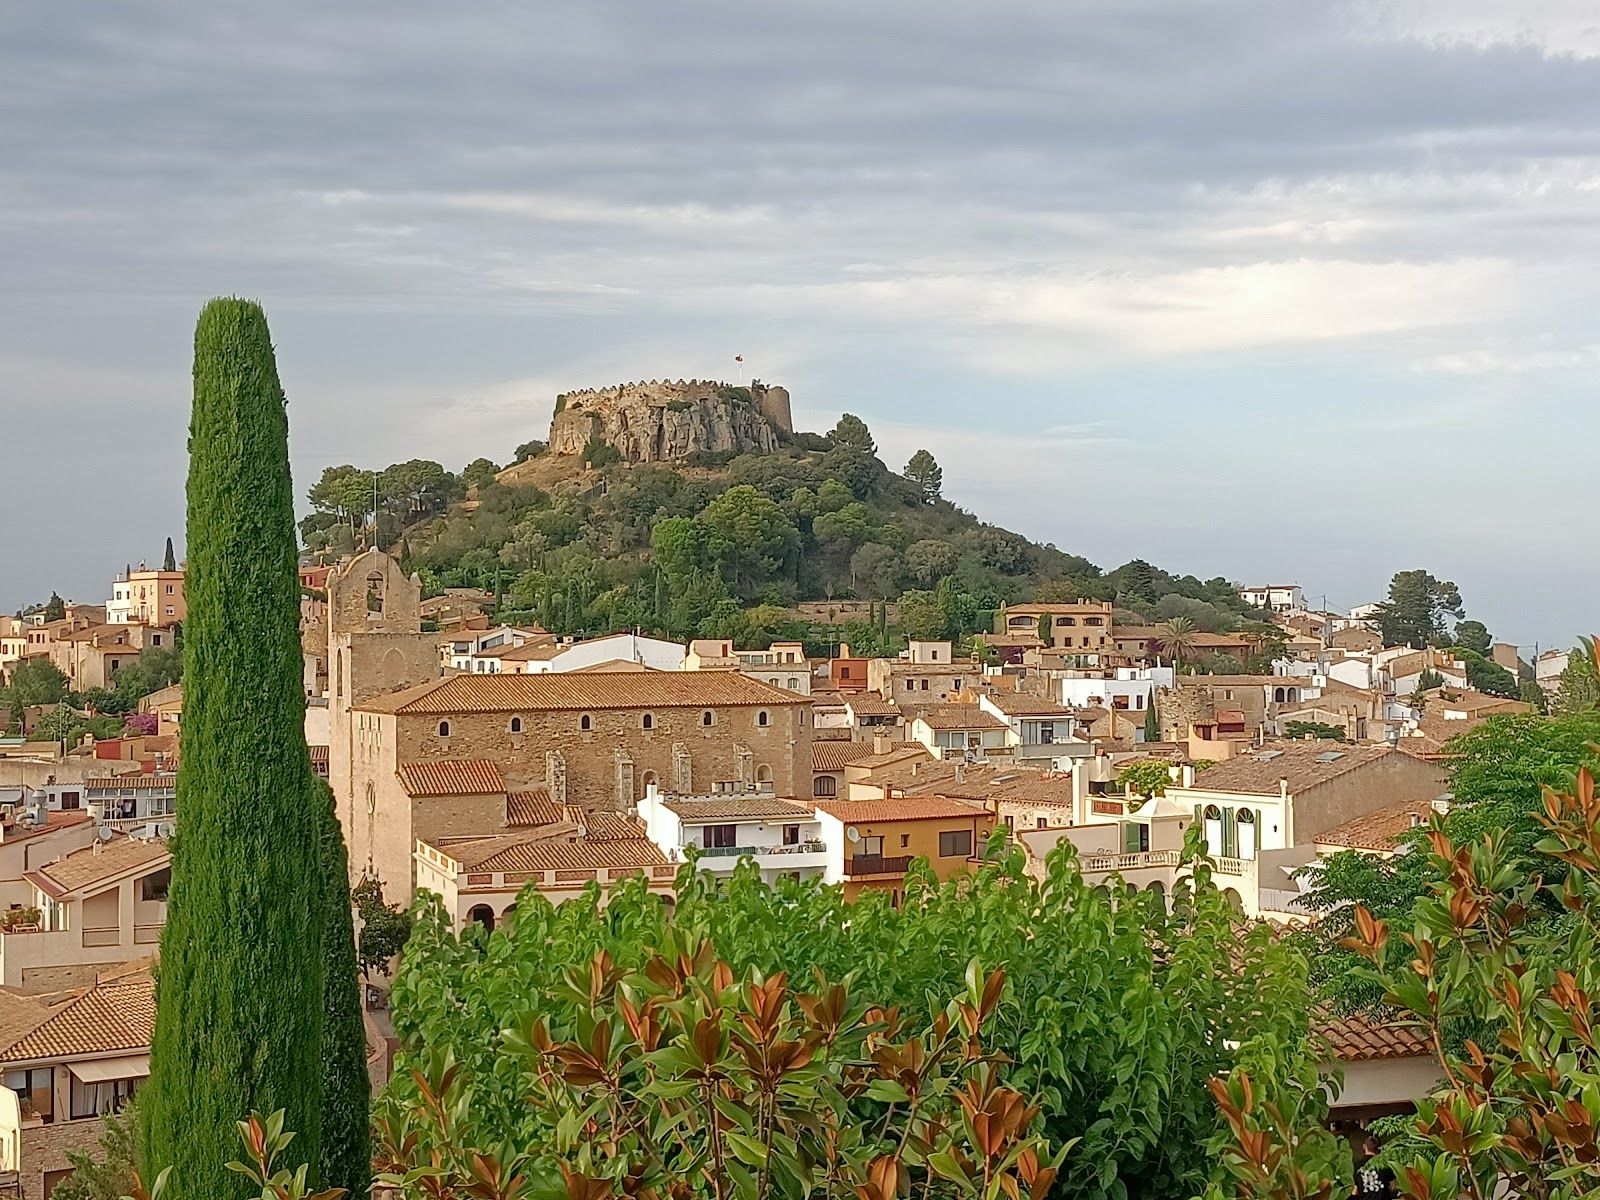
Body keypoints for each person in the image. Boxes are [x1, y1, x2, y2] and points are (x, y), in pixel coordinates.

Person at [1352, 1134, 1394, 1198]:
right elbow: (1392, 1185)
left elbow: (1355, 1190)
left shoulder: (1358, 1165)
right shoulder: (1384, 1164)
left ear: (1364, 1146)